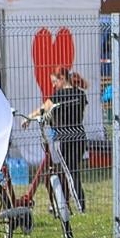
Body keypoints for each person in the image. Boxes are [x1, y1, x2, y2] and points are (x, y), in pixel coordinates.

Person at [26, 65, 89, 212]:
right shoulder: (80, 94)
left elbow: (43, 109)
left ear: (62, 79)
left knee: (70, 174)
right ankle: (62, 204)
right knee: (70, 172)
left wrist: (28, 118)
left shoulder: (58, 96)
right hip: (79, 137)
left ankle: (80, 208)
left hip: (64, 139)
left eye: (55, 81)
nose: (53, 85)